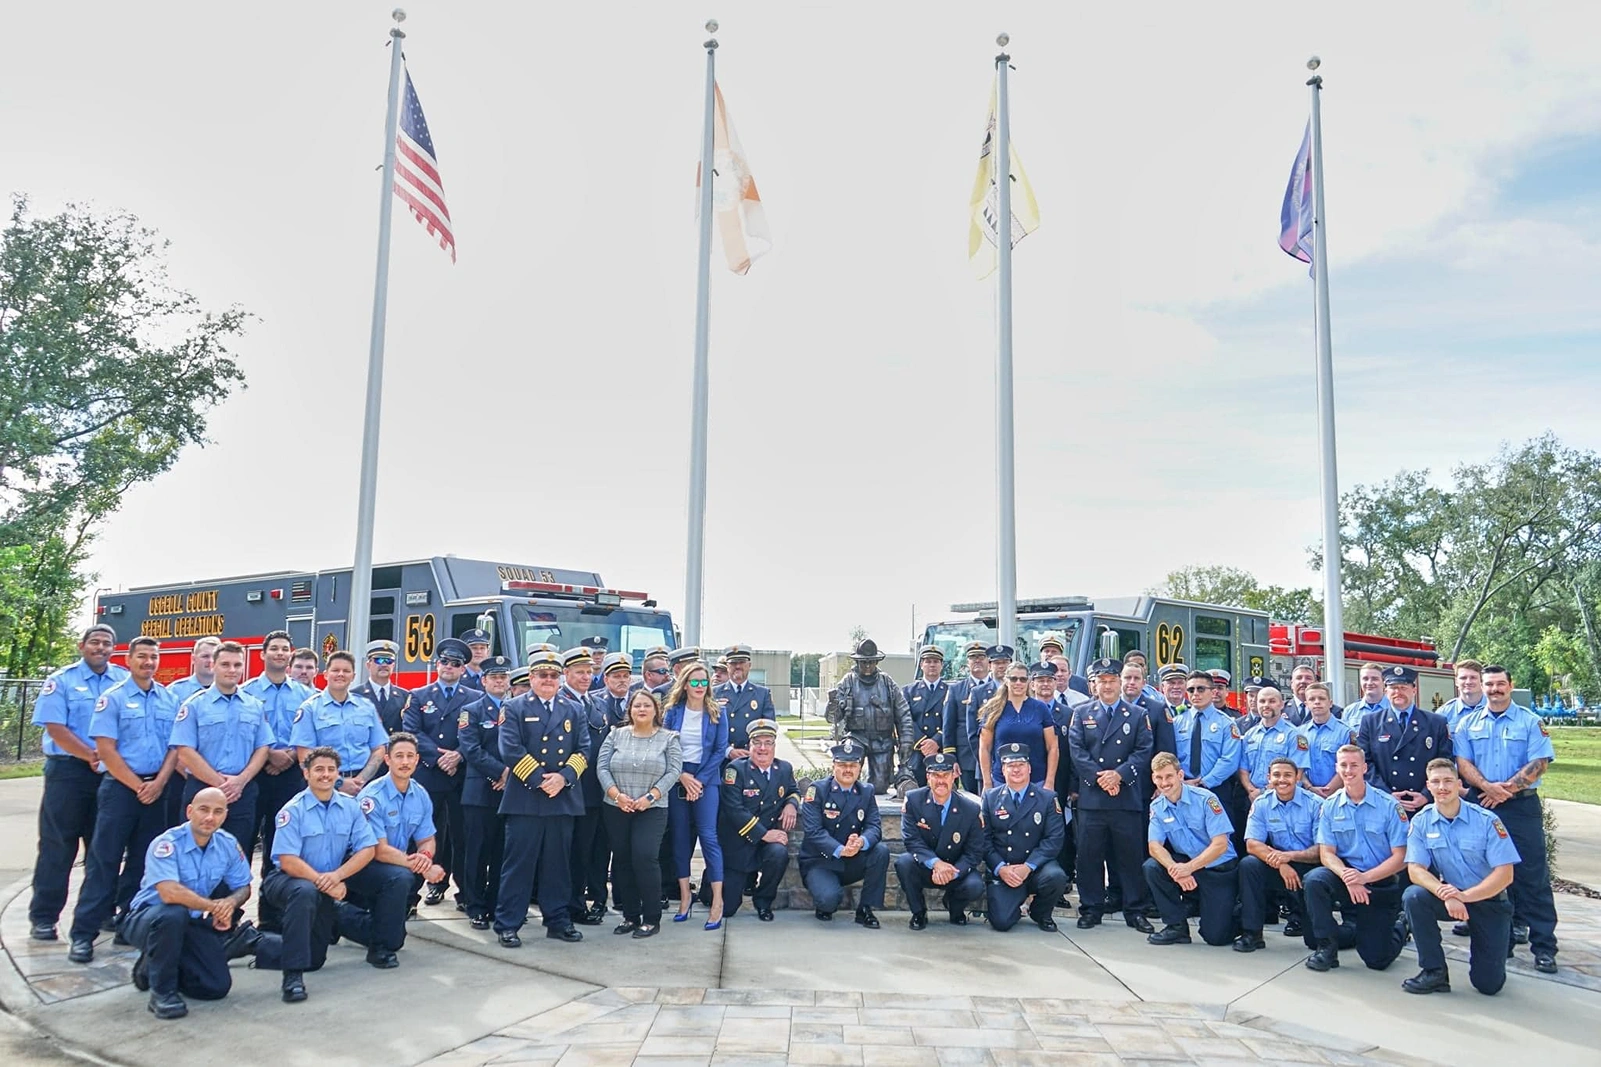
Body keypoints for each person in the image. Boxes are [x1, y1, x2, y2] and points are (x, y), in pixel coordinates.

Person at [122, 787, 280, 1019]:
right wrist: (212, 907)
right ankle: (162, 994)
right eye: (203, 810)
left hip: (189, 923)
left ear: (225, 815)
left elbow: (243, 887)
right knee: (173, 914)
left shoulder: (227, 844)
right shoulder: (167, 843)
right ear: (189, 811)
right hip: (148, 919)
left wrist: (229, 903)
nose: (210, 817)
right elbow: (169, 893)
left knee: (215, 987)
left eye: (217, 812)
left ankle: (152, 966)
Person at [68, 635, 179, 960]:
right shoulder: (112, 699)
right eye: (142, 657)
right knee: (104, 861)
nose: (148, 663)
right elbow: (105, 750)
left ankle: (129, 926)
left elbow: (176, 746)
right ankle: (83, 934)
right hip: (120, 789)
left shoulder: (168, 700)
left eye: (153, 658)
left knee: (143, 861)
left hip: (157, 788)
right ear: (129, 660)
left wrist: (159, 783)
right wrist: (137, 785)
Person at [260, 747, 392, 1001]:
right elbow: (287, 860)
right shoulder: (293, 810)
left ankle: (254, 942)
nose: (326, 775)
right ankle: (293, 977)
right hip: (287, 880)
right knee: (305, 891)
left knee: (314, 959)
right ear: (306, 773)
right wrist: (325, 882)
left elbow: (367, 848)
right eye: (319, 769)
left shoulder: (349, 807)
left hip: (325, 882)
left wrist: (337, 877)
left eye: (331, 770)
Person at [1453, 664, 1559, 973]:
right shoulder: (1467, 724)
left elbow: (1540, 762)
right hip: (1481, 803)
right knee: (1486, 873)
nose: (1494, 689)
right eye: (1489, 684)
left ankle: (1544, 947)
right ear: (1482, 688)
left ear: (1510, 686)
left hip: (1520, 807)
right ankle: (1502, 940)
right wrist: (1487, 787)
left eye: (1500, 684)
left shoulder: (1530, 722)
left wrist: (1507, 790)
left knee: (1531, 876)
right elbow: (1462, 762)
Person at [28, 625, 128, 941]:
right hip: (69, 774)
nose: (101, 648)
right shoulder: (62, 681)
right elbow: (56, 729)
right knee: (58, 847)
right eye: (95, 642)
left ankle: (100, 913)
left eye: (107, 643)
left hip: (110, 775)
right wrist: (91, 756)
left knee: (104, 849)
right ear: (82, 645)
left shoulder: (122, 680)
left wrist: (109, 761)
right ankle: (44, 917)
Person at [493, 650, 588, 947]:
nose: (548, 680)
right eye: (542, 675)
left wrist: (563, 778)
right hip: (525, 798)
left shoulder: (573, 709)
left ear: (560, 679)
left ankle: (558, 919)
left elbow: (584, 749)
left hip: (562, 797)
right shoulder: (514, 707)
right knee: (518, 865)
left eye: (553, 675)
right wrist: (539, 780)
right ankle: (508, 923)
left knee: (558, 865)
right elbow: (510, 749)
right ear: (531, 678)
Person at [1401, 758, 1518, 995]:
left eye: (1448, 781)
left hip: (1488, 899)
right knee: (1414, 897)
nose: (1442, 787)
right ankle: (1434, 972)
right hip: (1451, 896)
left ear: (1458, 783)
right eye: (1436, 782)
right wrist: (1444, 892)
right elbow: (1415, 869)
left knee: (1488, 985)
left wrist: (1463, 896)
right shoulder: (1422, 822)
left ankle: (1502, 935)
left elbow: (1505, 874)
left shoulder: (1487, 820)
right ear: (1428, 785)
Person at [1066, 658, 1154, 932]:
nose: (1107, 686)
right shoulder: (1081, 713)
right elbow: (1077, 751)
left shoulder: (1138, 714)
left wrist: (1119, 775)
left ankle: (1135, 910)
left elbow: (1143, 751)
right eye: (1101, 681)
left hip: (1125, 797)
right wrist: (1100, 778)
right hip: (1093, 797)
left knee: (1129, 858)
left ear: (1119, 683)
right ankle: (1091, 909)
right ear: (1094, 685)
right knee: (1089, 857)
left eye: (1111, 681)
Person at [1303, 745, 1409, 973]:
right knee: (1315, 880)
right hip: (1347, 878)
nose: (1348, 770)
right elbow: (1326, 853)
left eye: (1353, 765)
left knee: (1376, 960)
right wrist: (1348, 876)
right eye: (1343, 765)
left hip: (1379, 882)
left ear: (1364, 767)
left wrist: (1364, 878)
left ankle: (1401, 924)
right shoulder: (1330, 806)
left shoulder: (1389, 805)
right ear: (1337, 768)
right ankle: (1326, 949)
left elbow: (1401, 858)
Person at [169, 641, 272, 858]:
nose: (232, 670)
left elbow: (262, 748)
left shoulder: (254, 706)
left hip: (242, 791)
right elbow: (185, 750)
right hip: (202, 790)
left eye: (237, 665)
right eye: (225, 664)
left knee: (237, 855)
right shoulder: (194, 705)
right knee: (194, 856)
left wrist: (241, 781)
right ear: (213, 665)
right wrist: (220, 785)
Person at [242, 631, 316, 931]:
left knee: (280, 848)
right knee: (242, 846)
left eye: (285, 649)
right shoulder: (246, 692)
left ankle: (271, 918)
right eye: (274, 649)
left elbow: (311, 735)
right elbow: (241, 733)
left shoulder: (304, 695)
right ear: (263, 653)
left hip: (291, 777)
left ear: (291, 654)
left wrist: (286, 756)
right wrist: (270, 754)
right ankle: (230, 918)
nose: (280, 654)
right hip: (253, 775)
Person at [598, 688, 683, 938]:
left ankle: (651, 918)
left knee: (645, 857)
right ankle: (630, 916)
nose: (642, 710)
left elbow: (673, 772)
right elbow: (601, 767)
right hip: (617, 806)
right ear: (630, 710)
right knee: (622, 860)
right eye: (637, 706)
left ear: (656, 710)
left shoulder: (669, 738)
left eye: (647, 705)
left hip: (652, 808)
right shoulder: (615, 734)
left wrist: (650, 797)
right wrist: (617, 795)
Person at [351, 732, 442, 964]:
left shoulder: (419, 793)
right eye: (398, 756)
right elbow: (378, 851)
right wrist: (423, 868)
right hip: (358, 864)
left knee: (396, 935)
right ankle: (379, 949)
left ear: (417, 759)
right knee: (400, 877)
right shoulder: (372, 796)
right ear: (387, 760)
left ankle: (336, 917)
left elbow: (427, 838)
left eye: (410, 756)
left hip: (392, 862)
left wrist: (425, 856)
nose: (405, 762)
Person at [403, 637, 479, 907]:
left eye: (455, 663)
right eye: (444, 661)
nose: (449, 666)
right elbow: (412, 732)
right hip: (428, 775)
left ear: (463, 669)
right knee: (422, 836)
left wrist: (458, 754)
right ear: (437, 664)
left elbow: (476, 734)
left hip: (460, 777)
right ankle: (411, 896)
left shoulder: (474, 698)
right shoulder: (419, 696)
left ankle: (466, 894)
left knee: (463, 838)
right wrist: (439, 757)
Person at [1143, 752, 1239, 947]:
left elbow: (1220, 844)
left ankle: (1238, 911)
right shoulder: (1157, 806)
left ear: (1180, 775)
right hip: (1189, 865)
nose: (1164, 782)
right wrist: (1175, 869)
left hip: (1218, 869)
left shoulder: (1206, 799)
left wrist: (1188, 868)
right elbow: (1154, 846)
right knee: (1152, 867)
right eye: (1159, 777)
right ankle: (1176, 927)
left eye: (1169, 776)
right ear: (1153, 778)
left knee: (1216, 938)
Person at [1237, 756, 1326, 952]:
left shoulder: (1316, 804)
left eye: (1288, 775)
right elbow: (1252, 844)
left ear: (1297, 778)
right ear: (1269, 777)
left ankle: (1344, 933)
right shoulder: (1262, 803)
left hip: (1310, 867)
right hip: (1278, 863)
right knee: (1249, 864)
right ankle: (1252, 933)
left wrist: (1290, 857)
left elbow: (1322, 850)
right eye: (1276, 775)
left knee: (1315, 941)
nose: (1282, 780)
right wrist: (1282, 863)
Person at [714, 718, 799, 921]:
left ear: (774, 746)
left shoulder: (784, 769)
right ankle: (712, 887)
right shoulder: (735, 770)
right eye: (757, 743)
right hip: (739, 844)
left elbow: (793, 790)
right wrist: (764, 834)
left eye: (768, 743)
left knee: (779, 853)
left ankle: (763, 902)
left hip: (764, 846)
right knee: (727, 909)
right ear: (749, 745)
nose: (762, 748)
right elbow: (734, 810)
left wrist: (791, 805)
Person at [664, 661, 728, 928]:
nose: (700, 686)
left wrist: (698, 782)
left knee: (709, 837)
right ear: (685, 684)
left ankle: (717, 901)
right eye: (695, 681)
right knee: (679, 839)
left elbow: (720, 749)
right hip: (678, 777)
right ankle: (684, 897)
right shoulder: (673, 711)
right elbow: (665, 745)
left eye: (705, 682)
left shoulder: (717, 712)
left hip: (707, 779)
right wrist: (681, 776)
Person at [799, 739, 889, 927]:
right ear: (833, 766)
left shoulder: (866, 791)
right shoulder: (818, 791)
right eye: (842, 765)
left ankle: (865, 909)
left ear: (859, 767)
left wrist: (861, 842)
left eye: (853, 765)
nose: (848, 770)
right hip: (821, 861)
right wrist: (840, 849)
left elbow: (874, 827)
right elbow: (814, 832)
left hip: (851, 859)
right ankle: (826, 900)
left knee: (880, 851)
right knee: (828, 901)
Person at [982, 744, 1068, 932]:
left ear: (1029, 768)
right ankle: (1015, 903)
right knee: (1002, 922)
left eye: (1021, 764)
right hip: (1006, 869)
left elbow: (1054, 839)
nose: (1016, 769)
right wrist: (1000, 868)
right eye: (1010, 765)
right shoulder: (990, 798)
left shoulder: (1047, 798)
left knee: (1056, 877)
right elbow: (984, 841)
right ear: (1002, 770)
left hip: (1035, 867)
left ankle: (1040, 912)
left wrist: (1028, 867)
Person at [895, 752, 983, 929]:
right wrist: (936, 864)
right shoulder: (913, 800)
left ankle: (955, 909)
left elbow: (974, 852)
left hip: (954, 868)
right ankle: (919, 913)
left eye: (945, 775)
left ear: (953, 777)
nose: (940, 780)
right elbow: (912, 840)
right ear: (928, 777)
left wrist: (952, 871)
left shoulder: (970, 809)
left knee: (975, 885)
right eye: (935, 775)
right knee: (904, 863)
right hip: (926, 867)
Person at [457, 656, 512, 928]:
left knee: (503, 853)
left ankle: (495, 904)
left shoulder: (515, 709)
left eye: (503, 677)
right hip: (479, 792)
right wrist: (500, 772)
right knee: (477, 853)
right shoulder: (472, 710)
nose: (499, 681)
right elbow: (471, 749)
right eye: (494, 677)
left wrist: (511, 774)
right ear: (484, 681)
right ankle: (475, 905)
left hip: (511, 793)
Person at [1357, 665, 1452, 816]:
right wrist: (1386, 795)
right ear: (1386, 691)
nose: (1398, 692)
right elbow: (1365, 763)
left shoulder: (1435, 722)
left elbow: (1445, 762)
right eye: (1393, 687)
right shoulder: (1371, 722)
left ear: (1414, 690)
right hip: (1384, 803)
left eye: (1403, 687)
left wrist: (1427, 795)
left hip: (1424, 805)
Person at [288, 651, 387, 795]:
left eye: (346, 671)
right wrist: (339, 782)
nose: (340, 674)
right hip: (323, 787)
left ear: (353, 676)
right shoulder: (309, 708)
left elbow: (379, 748)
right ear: (326, 674)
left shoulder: (367, 707)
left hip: (364, 787)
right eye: (335, 670)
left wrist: (361, 780)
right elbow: (304, 756)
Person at [825, 638, 915, 795]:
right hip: (856, 738)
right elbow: (832, 718)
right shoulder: (848, 682)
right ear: (857, 662)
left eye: (871, 662)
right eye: (863, 662)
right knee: (847, 778)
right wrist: (833, 705)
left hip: (882, 742)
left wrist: (906, 741)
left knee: (879, 787)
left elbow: (903, 714)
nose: (867, 666)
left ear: (877, 662)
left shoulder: (887, 683)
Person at [561, 647, 611, 926]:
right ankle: (565, 905)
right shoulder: (559, 701)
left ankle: (578, 903)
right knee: (564, 853)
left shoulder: (597, 704)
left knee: (584, 851)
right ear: (565, 673)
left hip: (592, 791)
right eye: (579, 671)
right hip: (565, 789)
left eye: (589, 671)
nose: (585, 676)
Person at [1173, 670, 1244, 848]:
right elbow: (1172, 756)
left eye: (1200, 689)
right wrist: (1182, 783)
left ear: (1213, 692)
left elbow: (1229, 759)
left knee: (1221, 841)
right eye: (1191, 690)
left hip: (1215, 788)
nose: (1195, 694)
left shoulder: (1226, 723)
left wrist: (1203, 783)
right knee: (1187, 839)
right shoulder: (1177, 722)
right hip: (1184, 789)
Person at [976, 663, 1058, 791]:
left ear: (1029, 682)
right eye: (1014, 679)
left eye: (1023, 679)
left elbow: (1052, 747)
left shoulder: (1041, 708)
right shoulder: (993, 709)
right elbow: (984, 748)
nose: (1018, 683)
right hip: (1001, 782)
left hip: (1037, 781)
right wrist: (987, 783)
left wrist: (1050, 782)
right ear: (1006, 680)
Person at [1237, 685, 1309, 805]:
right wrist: (1251, 790)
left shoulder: (1295, 735)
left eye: (1272, 701)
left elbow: (1298, 772)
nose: (1266, 705)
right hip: (1251, 798)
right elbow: (1243, 768)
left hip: (1283, 799)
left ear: (1281, 705)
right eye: (1262, 701)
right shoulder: (1250, 735)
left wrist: (1263, 792)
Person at [941, 641, 992, 794]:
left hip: (994, 755)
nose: (977, 660)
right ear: (967, 662)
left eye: (981, 657)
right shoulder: (956, 690)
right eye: (973, 657)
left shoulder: (999, 688)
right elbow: (948, 726)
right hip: (967, 758)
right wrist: (951, 757)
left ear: (989, 661)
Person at [902, 645, 949, 788]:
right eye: (928, 661)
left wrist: (936, 742)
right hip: (917, 754)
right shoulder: (908, 691)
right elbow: (904, 721)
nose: (932, 665)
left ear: (942, 665)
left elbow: (953, 721)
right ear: (921, 664)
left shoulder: (951, 691)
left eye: (936, 661)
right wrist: (924, 744)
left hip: (941, 753)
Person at [1299, 683, 1354, 800]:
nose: (1317, 702)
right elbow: (1297, 765)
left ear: (1330, 703)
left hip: (1339, 797)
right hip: (1307, 796)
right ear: (1306, 704)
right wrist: (1309, 788)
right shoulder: (1300, 734)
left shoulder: (1346, 732)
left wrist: (1327, 791)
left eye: (1322, 698)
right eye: (1312, 699)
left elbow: (1350, 766)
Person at [353, 640, 412, 734]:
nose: (384, 665)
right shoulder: (355, 695)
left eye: (388, 661)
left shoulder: (405, 696)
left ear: (393, 665)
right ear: (368, 664)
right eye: (379, 660)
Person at [1438, 659, 1487, 735]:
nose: (1468, 682)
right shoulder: (1444, 713)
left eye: (1473, 677)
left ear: (1482, 681)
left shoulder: (1496, 709)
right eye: (1463, 678)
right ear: (1456, 681)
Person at [166, 637, 220, 705]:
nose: (211, 661)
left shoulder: (230, 692)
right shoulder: (174, 691)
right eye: (205, 656)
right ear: (193, 659)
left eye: (214, 657)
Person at [1343, 663, 1389, 733]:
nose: (1369, 683)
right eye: (1365, 679)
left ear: (1384, 682)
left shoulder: (1395, 708)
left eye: (1374, 679)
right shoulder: (1349, 711)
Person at [592, 653, 633, 730]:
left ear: (630, 679)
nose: (622, 680)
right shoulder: (594, 701)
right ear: (606, 680)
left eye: (625, 676)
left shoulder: (638, 700)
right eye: (617, 676)